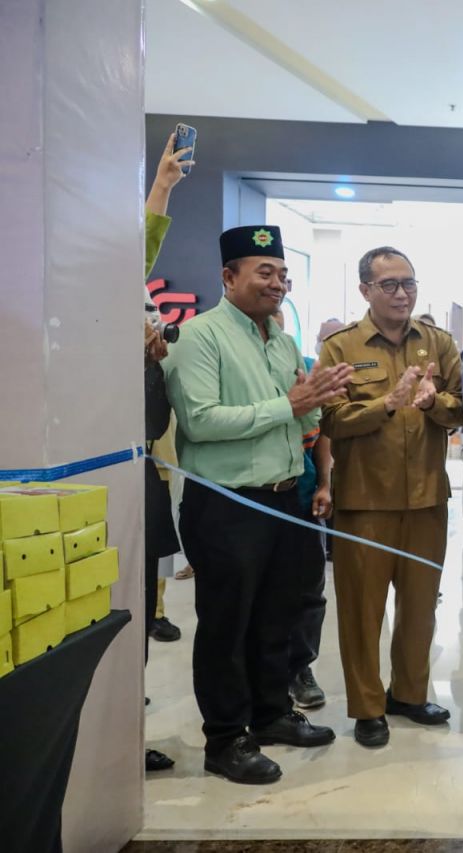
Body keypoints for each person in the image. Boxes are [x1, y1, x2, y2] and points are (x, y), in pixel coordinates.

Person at [164, 225, 353, 784]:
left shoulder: (283, 339)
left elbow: (301, 417)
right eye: (264, 272)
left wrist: (316, 402)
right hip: (225, 505)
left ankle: (271, 715)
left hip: (283, 500)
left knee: (279, 615)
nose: (278, 283)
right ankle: (225, 739)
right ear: (228, 277)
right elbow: (200, 421)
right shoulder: (199, 336)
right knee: (227, 624)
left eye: (283, 274)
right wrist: (288, 402)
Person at [317, 246, 463, 747]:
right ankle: (367, 706)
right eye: (389, 285)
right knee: (362, 611)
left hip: (426, 498)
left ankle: (409, 693)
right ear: (365, 291)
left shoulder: (439, 343)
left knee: (421, 607)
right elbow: (330, 419)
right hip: (365, 501)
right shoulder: (341, 347)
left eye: (409, 283)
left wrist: (435, 401)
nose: (402, 294)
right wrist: (388, 402)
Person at [141, 130, 191, 772]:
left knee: (133, 609)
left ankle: (124, 724)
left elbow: (142, 247)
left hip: (143, 467)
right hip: (91, 475)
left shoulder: (126, 290)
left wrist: (163, 187)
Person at [266, 310, 335, 713]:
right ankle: (263, 678)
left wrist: (325, 483)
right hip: (254, 496)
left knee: (309, 591)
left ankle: (299, 669)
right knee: (263, 594)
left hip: (303, 495)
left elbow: (322, 432)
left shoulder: (305, 369)